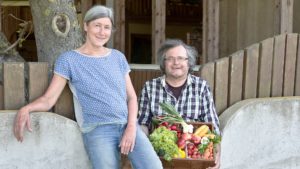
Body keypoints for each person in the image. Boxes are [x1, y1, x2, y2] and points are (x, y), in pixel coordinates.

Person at [13, 5, 163, 169]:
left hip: (128, 124)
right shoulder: (68, 60)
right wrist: (26, 109)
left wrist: (132, 127)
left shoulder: (118, 57)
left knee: (154, 166)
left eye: (106, 27)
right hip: (98, 130)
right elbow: (49, 99)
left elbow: (132, 97)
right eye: (97, 25)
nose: (102, 32)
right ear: (86, 26)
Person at [138, 39, 221, 169]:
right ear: (163, 63)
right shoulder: (150, 88)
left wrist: (216, 156)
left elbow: (213, 127)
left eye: (181, 58)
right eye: (170, 59)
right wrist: (143, 149)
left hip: (194, 157)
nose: (176, 63)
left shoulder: (201, 87)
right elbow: (143, 124)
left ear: (189, 62)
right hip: (161, 157)